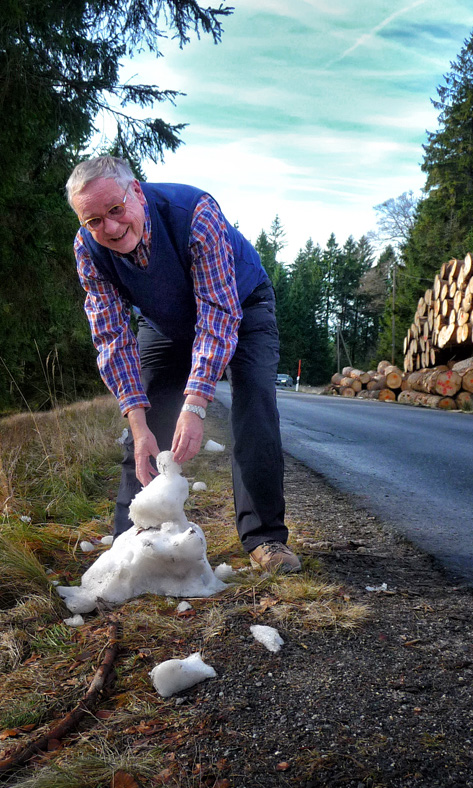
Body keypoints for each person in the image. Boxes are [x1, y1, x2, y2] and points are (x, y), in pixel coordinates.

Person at [66, 155, 300, 573]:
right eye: (94, 221)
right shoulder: (89, 250)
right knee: (147, 419)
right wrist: (138, 425)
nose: (111, 229)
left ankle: (265, 539)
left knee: (255, 406)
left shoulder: (195, 214)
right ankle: (130, 545)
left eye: (116, 211)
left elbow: (217, 315)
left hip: (240, 307)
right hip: (165, 321)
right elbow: (112, 338)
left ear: (136, 191)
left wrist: (195, 405)